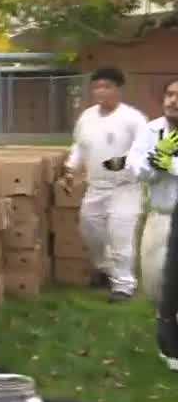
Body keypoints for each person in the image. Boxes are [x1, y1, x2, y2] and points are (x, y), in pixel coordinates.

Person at [63, 67, 148, 303]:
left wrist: (119, 165)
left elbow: (143, 151)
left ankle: (124, 286)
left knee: (120, 235)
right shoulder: (87, 117)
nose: (101, 91)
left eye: (107, 87)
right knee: (91, 231)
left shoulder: (133, 118)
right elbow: (80, 146)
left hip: (125, 188)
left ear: (118, 89)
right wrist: (71, 168)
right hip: (96, 186)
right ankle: (106, 269)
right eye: (97, 87)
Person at [127, 78, 178, 368]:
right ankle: (169, 345)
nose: (173, 100)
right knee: (158, 283)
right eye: (170, 94)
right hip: (162, 215)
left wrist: (171, 164)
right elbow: (137, 168)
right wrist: (157, 159)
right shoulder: (151, 130)